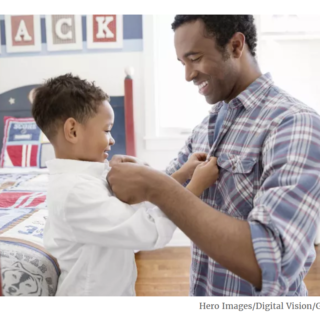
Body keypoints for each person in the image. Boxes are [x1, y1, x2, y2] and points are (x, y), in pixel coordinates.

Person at [107, 15, 320, 296]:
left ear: (234, 45)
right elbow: (173, 183)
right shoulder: (210, 123)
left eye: (194, 58)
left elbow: (273, 261)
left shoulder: (294, 123)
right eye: (183, 63)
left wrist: (154, 185)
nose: (188, 75)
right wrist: (143, 172)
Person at [31, 73, 219, 296]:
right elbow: (150, 231)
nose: (111, 139)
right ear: (72, 131)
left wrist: (181, 174)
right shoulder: (76, 193)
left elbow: (141, 206)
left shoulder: (90, 179)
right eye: (106, 129)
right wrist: (194, 187)